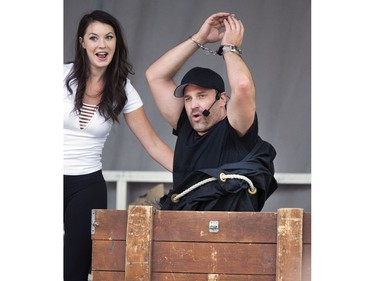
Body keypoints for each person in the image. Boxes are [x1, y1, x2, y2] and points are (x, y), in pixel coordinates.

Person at [64, 10, 173, 281]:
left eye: (109, 37)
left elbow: (153, 143)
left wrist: (196, 176)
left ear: (117, 43)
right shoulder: (59, 76)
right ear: (82, 43)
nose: (102, 45)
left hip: (86, 186)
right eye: (94, 38)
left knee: (74, 270)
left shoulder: (123, 90)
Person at [146, 12, 278, 211]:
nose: (193, 105)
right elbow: (155, 76)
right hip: (183, 232)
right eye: (188, 99)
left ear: (222, 99)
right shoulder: (185, 124)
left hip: (229, 236)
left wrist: (229, 48)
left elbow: (242, 86)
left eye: (201, 95)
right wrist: (199, 38)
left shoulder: (235, 129)